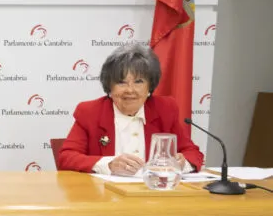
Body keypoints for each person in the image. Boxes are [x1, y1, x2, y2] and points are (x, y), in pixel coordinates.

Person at [58, 43, 203, 175]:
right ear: (109, 86)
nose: (130, 90)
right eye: (121, 82)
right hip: (105, 197)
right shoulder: (90, 112)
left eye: (139, 82)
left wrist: (181, 163)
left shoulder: (165, 109)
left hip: (154, 194)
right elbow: (67, 157)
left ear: (149, 86)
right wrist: (109, 164)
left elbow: (192, 153)